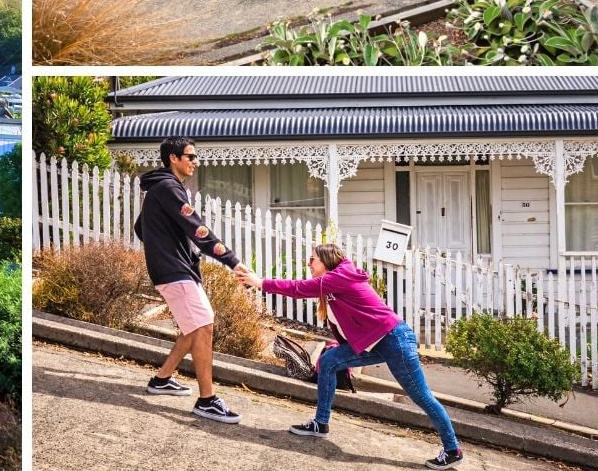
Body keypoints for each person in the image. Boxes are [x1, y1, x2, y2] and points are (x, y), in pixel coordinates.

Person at [235, 244, 464, 469]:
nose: (309, 264)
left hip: (395, 341)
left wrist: (260, 283)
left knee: (422, 397)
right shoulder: (333, 286)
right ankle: (320, 423)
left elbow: (298, 288)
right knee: (328, 360)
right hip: (373, 342)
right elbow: (347, 324)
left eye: (312, 259)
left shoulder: (339, 277)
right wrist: (339, 347)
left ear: (326, 261)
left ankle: (452, 449)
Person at [133, 136, 244, 424]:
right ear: (173, 158)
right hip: (174, 270)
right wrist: (233, 262)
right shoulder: (169, 187)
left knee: (192, 326)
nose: (195, 162)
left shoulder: (162, 188)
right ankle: (207, 400)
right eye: (190, 157)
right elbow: (200, 231)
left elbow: (140, 227)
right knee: (204, 323)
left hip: (174, 267)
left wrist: (165, 245)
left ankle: (161, 380)